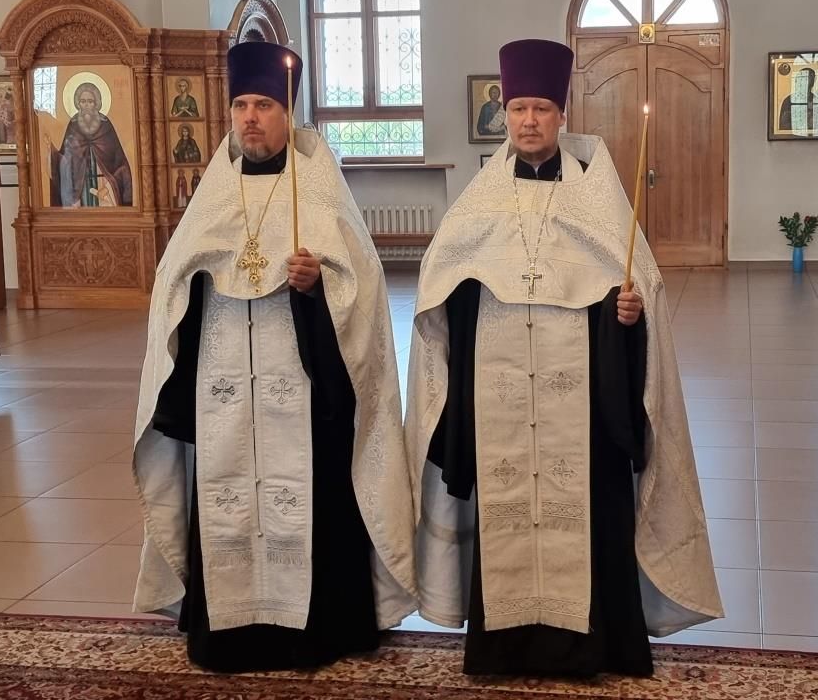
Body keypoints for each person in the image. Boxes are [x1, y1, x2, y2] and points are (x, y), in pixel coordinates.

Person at [405, 38, 722, 679]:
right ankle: (503, 649)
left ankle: (596, 647)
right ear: (505, 113)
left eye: (542, 109)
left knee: (588, 513)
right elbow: (445, 298)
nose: (529, 121)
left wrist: (624, 319)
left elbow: (633, 294)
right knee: (506, 512)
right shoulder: (478, 205)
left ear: (562, 114)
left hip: (582, 408)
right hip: (499, 403)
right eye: (519, 108)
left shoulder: (598, 200)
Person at [132, 41, 416, 674]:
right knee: (226, 494)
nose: (250, 118)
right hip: (225, 394)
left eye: (264, 104)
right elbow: (173, 296)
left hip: (304, 395)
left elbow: (361, 300)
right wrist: (197, 280)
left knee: (312, 500)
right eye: (240, 105)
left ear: (289, 112)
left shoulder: (319, 191)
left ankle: (315, 632)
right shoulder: (212, 197)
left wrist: (318, 288)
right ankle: (230, 631)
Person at [51, 82, 134, 207]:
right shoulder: (73, 126)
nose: (86, 105)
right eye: (83, 101)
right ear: (78, 104)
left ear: (96, 103)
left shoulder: (105, 126)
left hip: (104, 184)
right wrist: (50, 151)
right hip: (80, 187)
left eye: (90, 101)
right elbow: (65, 160)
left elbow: (120, 163)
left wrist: (108, 187)